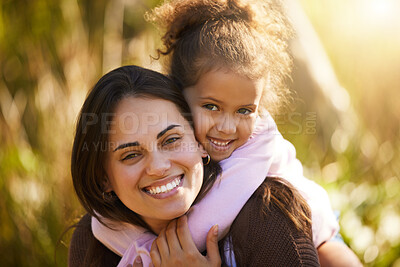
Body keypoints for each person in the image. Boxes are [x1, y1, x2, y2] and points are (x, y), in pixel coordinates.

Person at [91, 1, 362, 266]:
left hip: (316, 227)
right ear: (178, 96)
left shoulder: (256, 145)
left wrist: (151, 253)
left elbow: (207, 223)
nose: (227, 127)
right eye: (211, 107)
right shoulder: (179, 135)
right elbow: (103, 227)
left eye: (244, 111)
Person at [68, 65, 320, 266]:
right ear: (104, 179)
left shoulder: (269, 215)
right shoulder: (92, 242)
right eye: (131, 155)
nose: (158, 167)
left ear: (200, 141)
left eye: (172, 140)